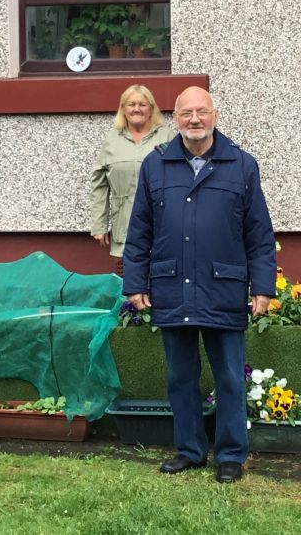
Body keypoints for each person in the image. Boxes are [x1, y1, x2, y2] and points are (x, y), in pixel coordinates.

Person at [123, 86, 275, 483]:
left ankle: (230, 455)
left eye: (201, 112)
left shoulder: (241, 164)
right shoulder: (154, 166)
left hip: (223, 286)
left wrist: (262, 286)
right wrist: (135, 282)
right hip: (172, 285)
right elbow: (140, 230)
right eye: (186, 113)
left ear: (215, 115)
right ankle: (189, 451)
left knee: (228, 377)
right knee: (180, 377)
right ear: (175, 118)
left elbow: (258, 232)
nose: (194, 119)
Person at [90, 85, 176, 268]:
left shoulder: (167, 137)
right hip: (124, 222)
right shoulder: (112, 139)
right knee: (130, 279)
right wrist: (99, 224)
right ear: (123, 109)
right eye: (131, 104)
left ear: (151, 109)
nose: (137, 109)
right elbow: (100, 184)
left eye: (143, 104)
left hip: (162, 222)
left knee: (162, 275)